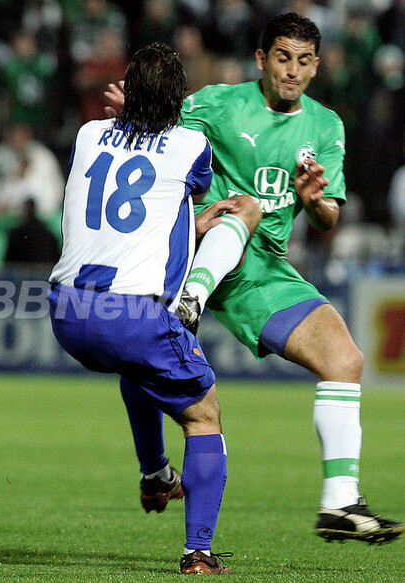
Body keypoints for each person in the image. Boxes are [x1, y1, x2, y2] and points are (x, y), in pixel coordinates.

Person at [104, 12, 403, 544]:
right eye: (283, 58)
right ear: (262, 60)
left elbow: (329, 214)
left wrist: (315, 203)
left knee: (345, 359)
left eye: (304, 61)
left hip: (259, 269)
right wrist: (138, 117)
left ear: (317, 66)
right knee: (143, 353)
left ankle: (339, 503)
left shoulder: (325, 125)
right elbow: (160, 138)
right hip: (195, 249)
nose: (293, 71)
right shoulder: (220, 104)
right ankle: (155, 458)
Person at [49, 43, 232, 574]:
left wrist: (133, 115)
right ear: (178, 100)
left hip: (66, 311)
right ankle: (198, 552)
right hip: (132, 314)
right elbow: (186, 185)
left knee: (140, 371)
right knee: (203, 416)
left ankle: (155, 475)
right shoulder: (190, 145)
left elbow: (144, 198)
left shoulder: (86, 135)